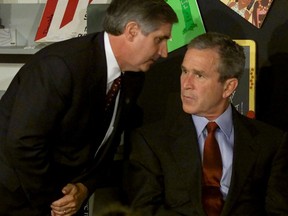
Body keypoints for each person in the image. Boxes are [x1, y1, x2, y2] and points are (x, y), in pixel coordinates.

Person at [0, 0, 178, 215]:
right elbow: (23, 143)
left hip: (67, 195)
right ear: (132, 31)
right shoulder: (60, 66)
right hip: (17, 195)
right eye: (159, 40)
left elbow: (107, 141)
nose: (165, 52)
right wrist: (57, 201)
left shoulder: (134, 74)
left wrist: (85, 187)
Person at [123, 32, 288, 215]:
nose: (186, 84)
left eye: (199, 75)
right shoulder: (151, 141)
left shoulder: (271, 143)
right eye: (185, 71)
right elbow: (145, 210)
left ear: (228, 87)